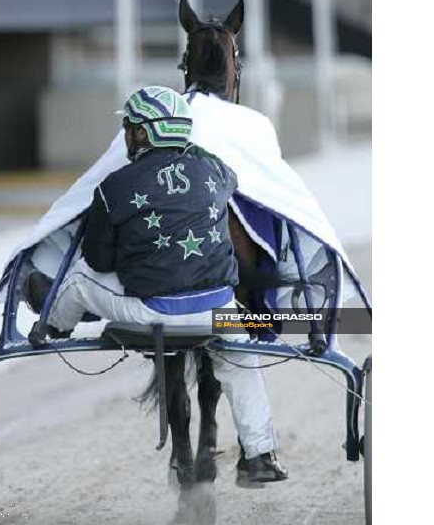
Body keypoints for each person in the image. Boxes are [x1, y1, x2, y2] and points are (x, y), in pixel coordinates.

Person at [26, 86, 288, 483]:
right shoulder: (216, 171)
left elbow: (98, 260)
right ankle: (260, 456)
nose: (128, 135)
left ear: (144, 134)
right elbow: (232, 181)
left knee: (80, 277)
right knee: (241, 362)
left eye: (131, 128)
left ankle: (54, 325)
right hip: (220, 313)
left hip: (154, 313)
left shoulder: (112, 187)